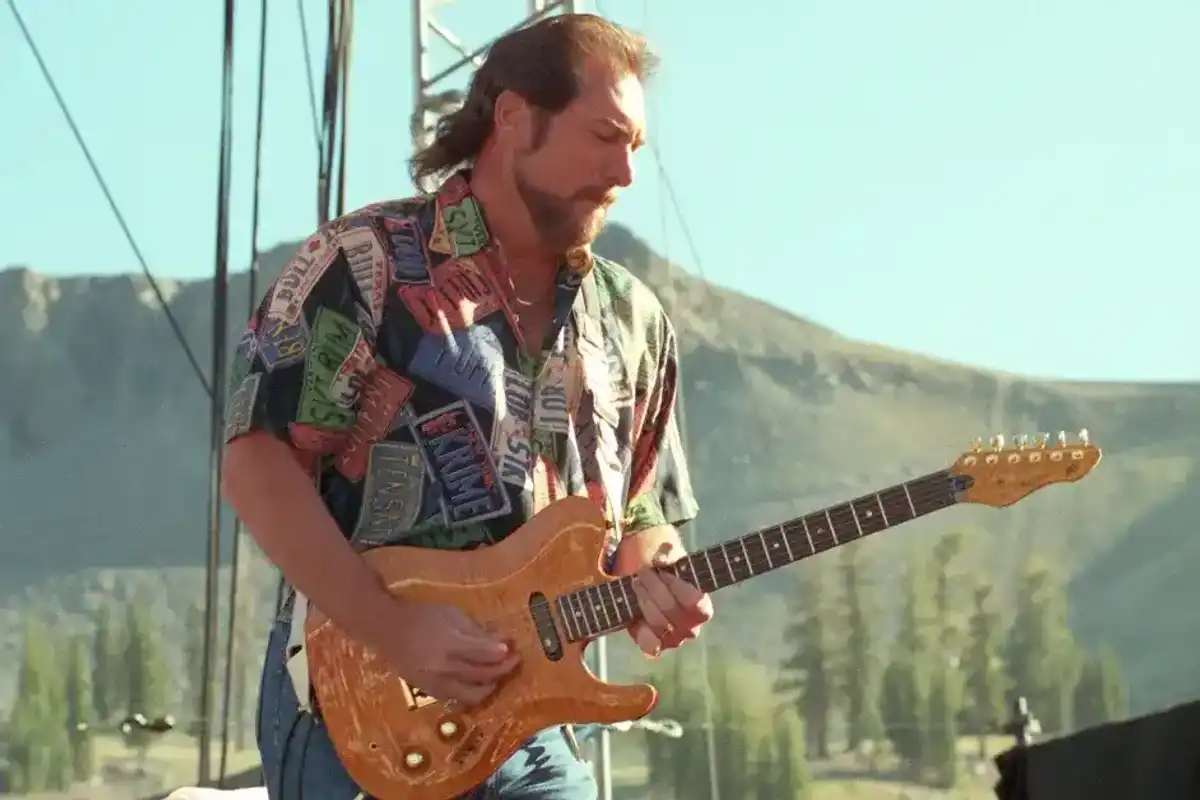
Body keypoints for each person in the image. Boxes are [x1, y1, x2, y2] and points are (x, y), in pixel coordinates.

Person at [221, 12, 712, 800]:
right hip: (363, 711)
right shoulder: (365, 260)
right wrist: (392, 627)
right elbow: (256, 462)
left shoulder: (634, 320)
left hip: (538, 729)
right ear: (514, 116)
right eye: (605, 136)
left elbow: (644, 510)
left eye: (636, 149)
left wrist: (657, 577)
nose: (624, 173)